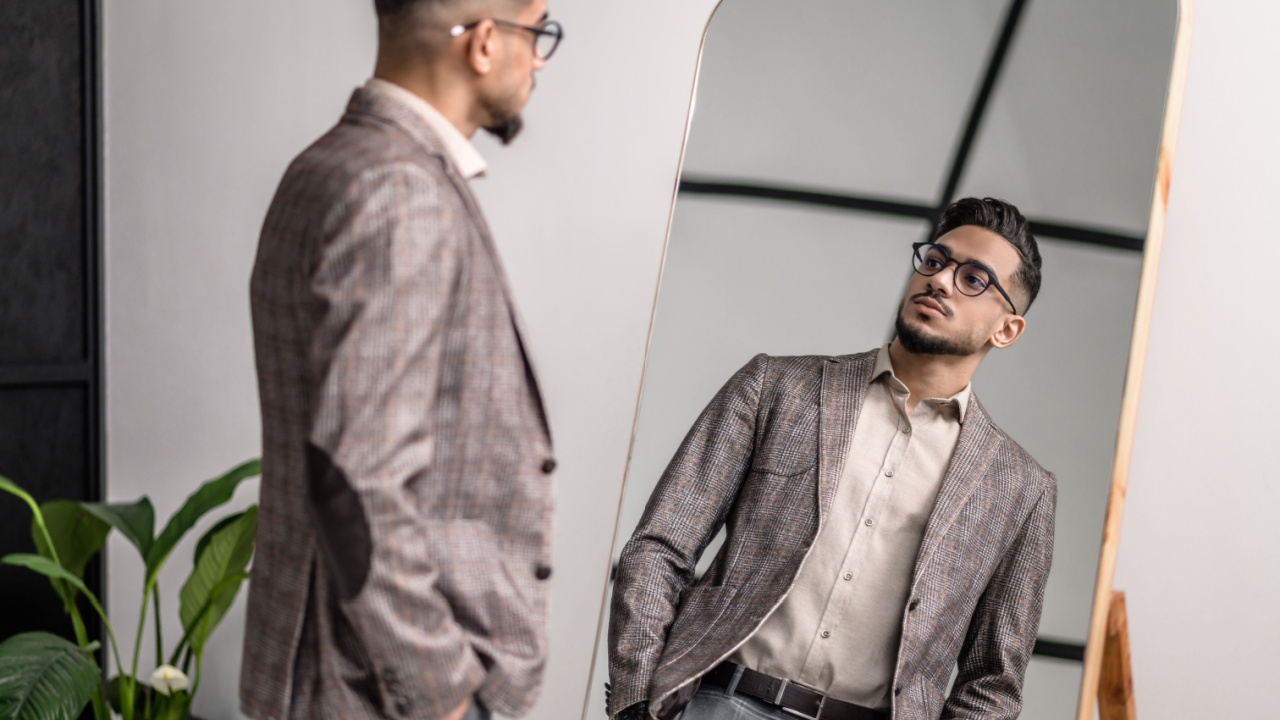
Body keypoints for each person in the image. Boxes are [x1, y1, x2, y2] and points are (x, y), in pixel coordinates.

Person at [607, 197, 1056, 720]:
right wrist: (636, 701)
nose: (939, 281)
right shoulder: (778, 387)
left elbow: (993, 682)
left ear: (1006, 329)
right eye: (935, 261)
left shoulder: (1020, 489)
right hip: (717, 703)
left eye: (973, 279)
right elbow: (661, 545)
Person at [240, 2, 564, 719]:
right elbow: (358, 479)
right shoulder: (400, 192)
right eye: (537, 29)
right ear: (484, 43)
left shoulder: (326, 164)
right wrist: (444, 694)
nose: (540, 57)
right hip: (376, 692)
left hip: (324, 668)